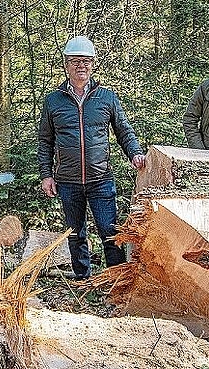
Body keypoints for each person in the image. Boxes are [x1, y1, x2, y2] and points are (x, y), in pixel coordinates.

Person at [37, 35, 146, 280]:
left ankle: (115, 281)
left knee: (110, 232)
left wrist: (135, 152)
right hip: (67, 180)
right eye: (75, 61)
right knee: (75, 234)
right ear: (66, 65)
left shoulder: (106, 97)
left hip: (101, 178)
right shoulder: (53, 100)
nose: (81, 66)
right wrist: (46, 175)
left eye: (86, 61)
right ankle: (83, 280)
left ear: (93, 64)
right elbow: (45, 140)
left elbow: (123, 130)